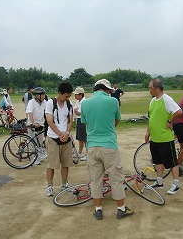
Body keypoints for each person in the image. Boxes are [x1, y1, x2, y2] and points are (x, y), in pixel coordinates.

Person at [81, 79, 134, 220]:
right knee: (116, 177)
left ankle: (98, 209)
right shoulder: (113, 101)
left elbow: (85, 123)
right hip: (109, 145)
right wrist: (108, 129)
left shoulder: (85, 103)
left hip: (92, 145)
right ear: (106, 89)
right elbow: (116, 120)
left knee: (95, 179)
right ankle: (121, 209)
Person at [145, 78, 183, 195]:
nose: (149, 90)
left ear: (157, 88)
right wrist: (148, 132)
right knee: (157, 161)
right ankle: (159, 181)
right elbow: (151, 118)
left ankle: (176, 184)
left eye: (150, 88)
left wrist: (170, 120)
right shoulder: (152, 101)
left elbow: (179, 111)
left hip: (165, 138)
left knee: (172, 162)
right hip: (155, 138)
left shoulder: (167, 99)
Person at [44, 82, 73, 197]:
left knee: (65, 163)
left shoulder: (69, 104)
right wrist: (60, 133)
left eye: (69, 96)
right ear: (59, 93)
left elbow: (70, 120)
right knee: (51, 164)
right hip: (53, 138)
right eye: (66, 96)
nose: (67, 98)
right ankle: (50, 186)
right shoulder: (50, 103)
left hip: (66, 138)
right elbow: (49, 121)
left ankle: (64, 183)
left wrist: (67, 133)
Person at [26, 87, 47, 165]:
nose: (44, 96)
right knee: (33, 142)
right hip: (32, 124)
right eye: (43, 95)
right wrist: (33, 122)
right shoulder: (31, 102)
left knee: (40, 141)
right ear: (38, 95)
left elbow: (48, 111)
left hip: (40, 124)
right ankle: (35, 158)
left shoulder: (44, 102)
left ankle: (39, 157)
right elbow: (29, 112)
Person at [72, 87, 87, 161]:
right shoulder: (78, 101)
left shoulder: (84, 102)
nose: (75, 96)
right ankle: (80, 152)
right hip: (79, 120)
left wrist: (76, 111)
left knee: (84, 138)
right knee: (80, 138)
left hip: (82, 120)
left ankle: (88, 153)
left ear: (81, 95)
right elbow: (74, 109)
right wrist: (76, 111)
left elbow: (78, 112)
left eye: (76, 94)